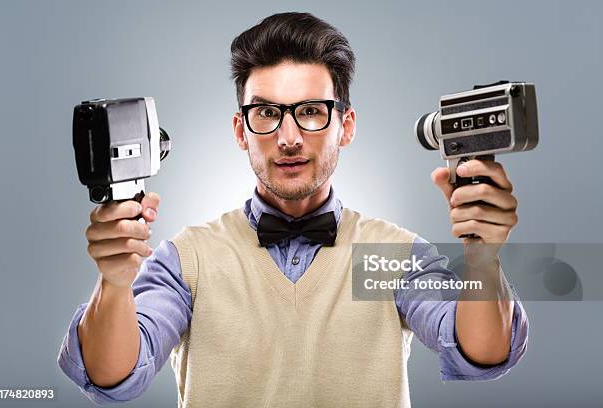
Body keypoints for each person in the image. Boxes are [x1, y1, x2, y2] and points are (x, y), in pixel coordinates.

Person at [58, 12, 528, 407]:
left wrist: (482, 257)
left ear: (345, 126)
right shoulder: (188, 259)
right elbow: (112, 374)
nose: (288, 137)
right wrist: (115, 282)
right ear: (241, 130)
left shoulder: (390, 255)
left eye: (311, 110)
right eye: (266, 113)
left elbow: (481, 351)